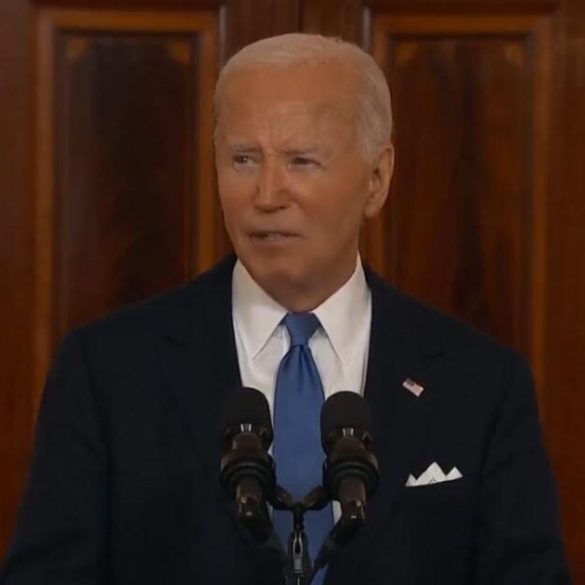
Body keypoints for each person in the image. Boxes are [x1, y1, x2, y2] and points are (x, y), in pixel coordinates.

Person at [0, 33, 571, 584]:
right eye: (244, 159)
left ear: (377, 179)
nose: (267, 195)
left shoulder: (481, 386)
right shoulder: (106, 373)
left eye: (301, 161)